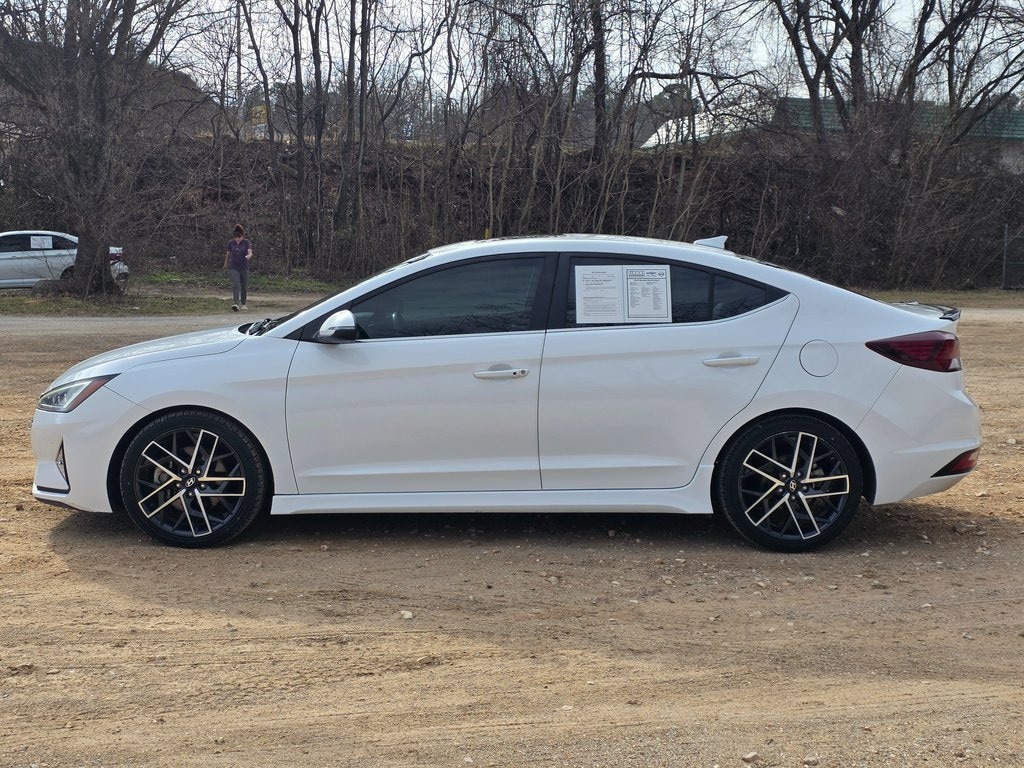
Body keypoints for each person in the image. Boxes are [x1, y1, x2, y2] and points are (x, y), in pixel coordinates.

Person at [224, 224, 253, 311]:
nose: (237, 239)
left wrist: (249, 256)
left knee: (243, 286)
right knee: (236, 284)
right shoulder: (230, 243)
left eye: (239, 237)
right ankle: (236, 303)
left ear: (242, 236)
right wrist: (225, 262)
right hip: (234, 267)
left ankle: (243, 303)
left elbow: (250, 252)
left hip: (244, 267)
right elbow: (228, 253)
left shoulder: (246, 242)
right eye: (236, 237)